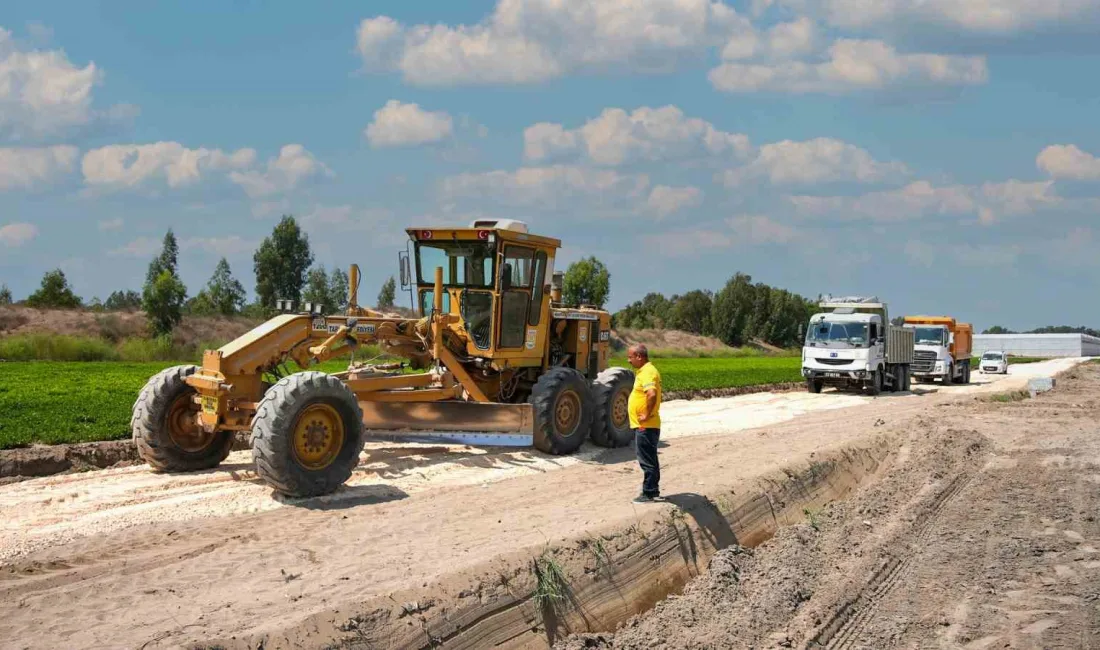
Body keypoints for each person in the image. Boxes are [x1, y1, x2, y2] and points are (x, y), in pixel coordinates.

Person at [627, 344, 663, 503]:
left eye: (630, 357)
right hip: (647, 425)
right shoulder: (646, 371)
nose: (629, 360)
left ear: (639, 356)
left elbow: (651, 394)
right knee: (650, 458)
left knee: (647, 460)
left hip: (646, 425)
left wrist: (646, 414)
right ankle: (652, 490)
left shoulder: (647, 372)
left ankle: (649, 492)